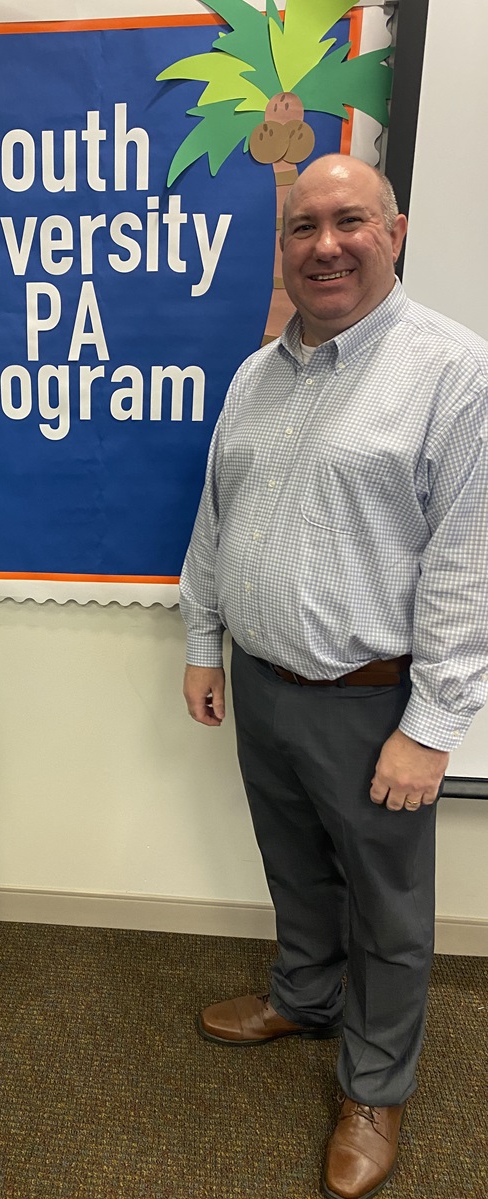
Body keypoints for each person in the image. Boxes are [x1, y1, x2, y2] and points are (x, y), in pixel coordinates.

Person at [180, 155, 488, 1199]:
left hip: (375, 702)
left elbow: (466, 562)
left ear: (390, 231)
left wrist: (434, 721)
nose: (324, 244)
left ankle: (373, 1084)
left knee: (389, 911)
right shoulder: (255, 375)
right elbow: (215, 519)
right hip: (263, 688)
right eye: (302, 226)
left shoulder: (453, 371)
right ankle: (303, 997)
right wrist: (201, 640)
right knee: (295, 868)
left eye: (348, 220)